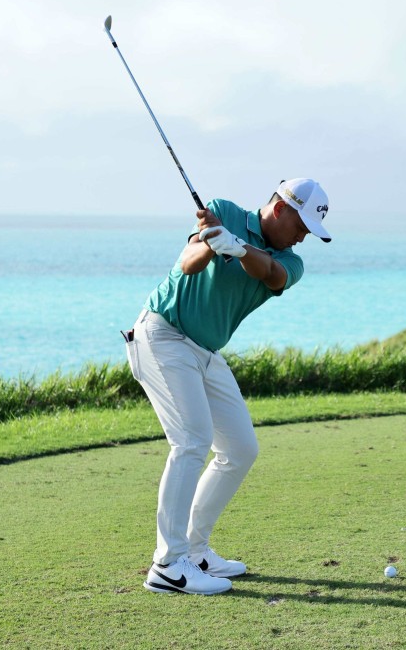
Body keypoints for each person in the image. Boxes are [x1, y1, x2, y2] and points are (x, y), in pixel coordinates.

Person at [124, 178, 332, 595]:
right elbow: (188, 264)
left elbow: (270, 274)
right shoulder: (223, 209)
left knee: (240, 448)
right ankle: (168, 564)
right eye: (302, 225)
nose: (303, 235)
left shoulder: (291, 262)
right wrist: (210, 241)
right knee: (191, 441)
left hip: (204, 350)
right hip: (163, 335)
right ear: (279, 210)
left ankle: (196, 550)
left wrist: (236, 246)